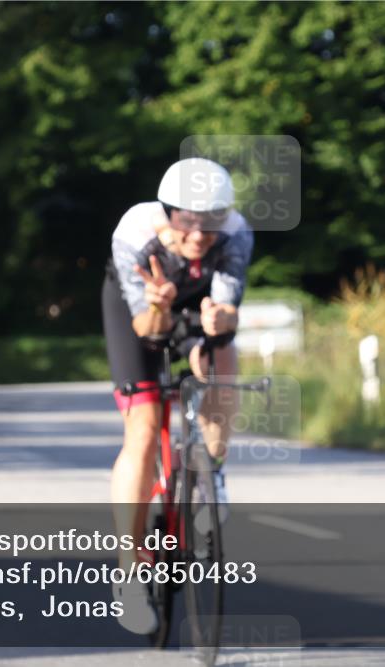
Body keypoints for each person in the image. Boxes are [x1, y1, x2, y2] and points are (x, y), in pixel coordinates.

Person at [101, 158, 253, 634]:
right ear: (168, 213)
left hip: (197, 302)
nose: (199, 234)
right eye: (187, 221)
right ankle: (128, 569)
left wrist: (221, 322)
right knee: (144, 428)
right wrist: (159, 306)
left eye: (211, 223)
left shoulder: (238, 233)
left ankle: (212, 471)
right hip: (143, 308)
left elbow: (227, 309)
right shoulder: (134, 232)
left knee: (221, 362)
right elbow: (149, 330)